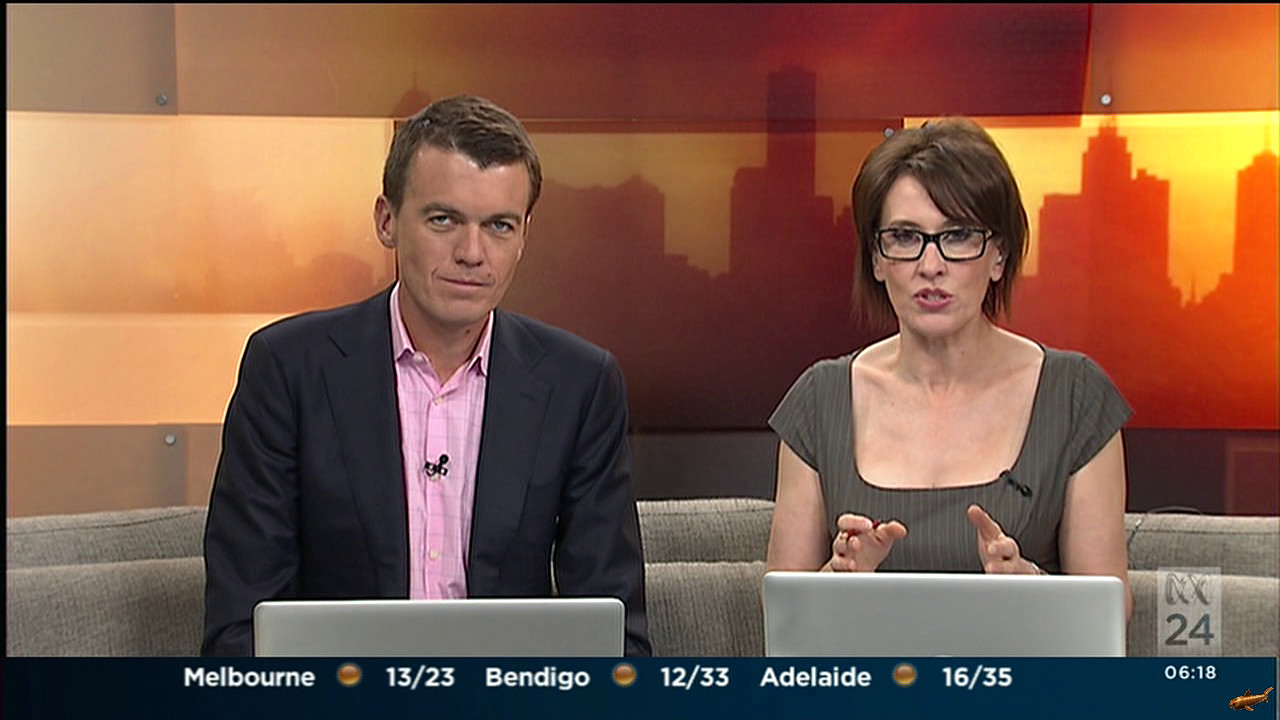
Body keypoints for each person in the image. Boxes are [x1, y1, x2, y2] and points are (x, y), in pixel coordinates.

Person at [203, 95, 652, 656]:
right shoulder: (288, 369)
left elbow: (616, 635)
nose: (472, 253)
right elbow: (240, 627)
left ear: (524, 237)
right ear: (387, 220)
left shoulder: (579, 385)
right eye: (444, 220)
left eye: (499, 226)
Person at [766, 117, 1133, 619]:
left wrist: (1033, 589)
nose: (931, 265)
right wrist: (839, 581)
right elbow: (783, 622)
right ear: (877, 259)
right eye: (904, 237)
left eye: (958, 236)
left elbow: (1110, 617)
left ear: (999, 255)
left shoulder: (1074, 397)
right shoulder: (819, 401)